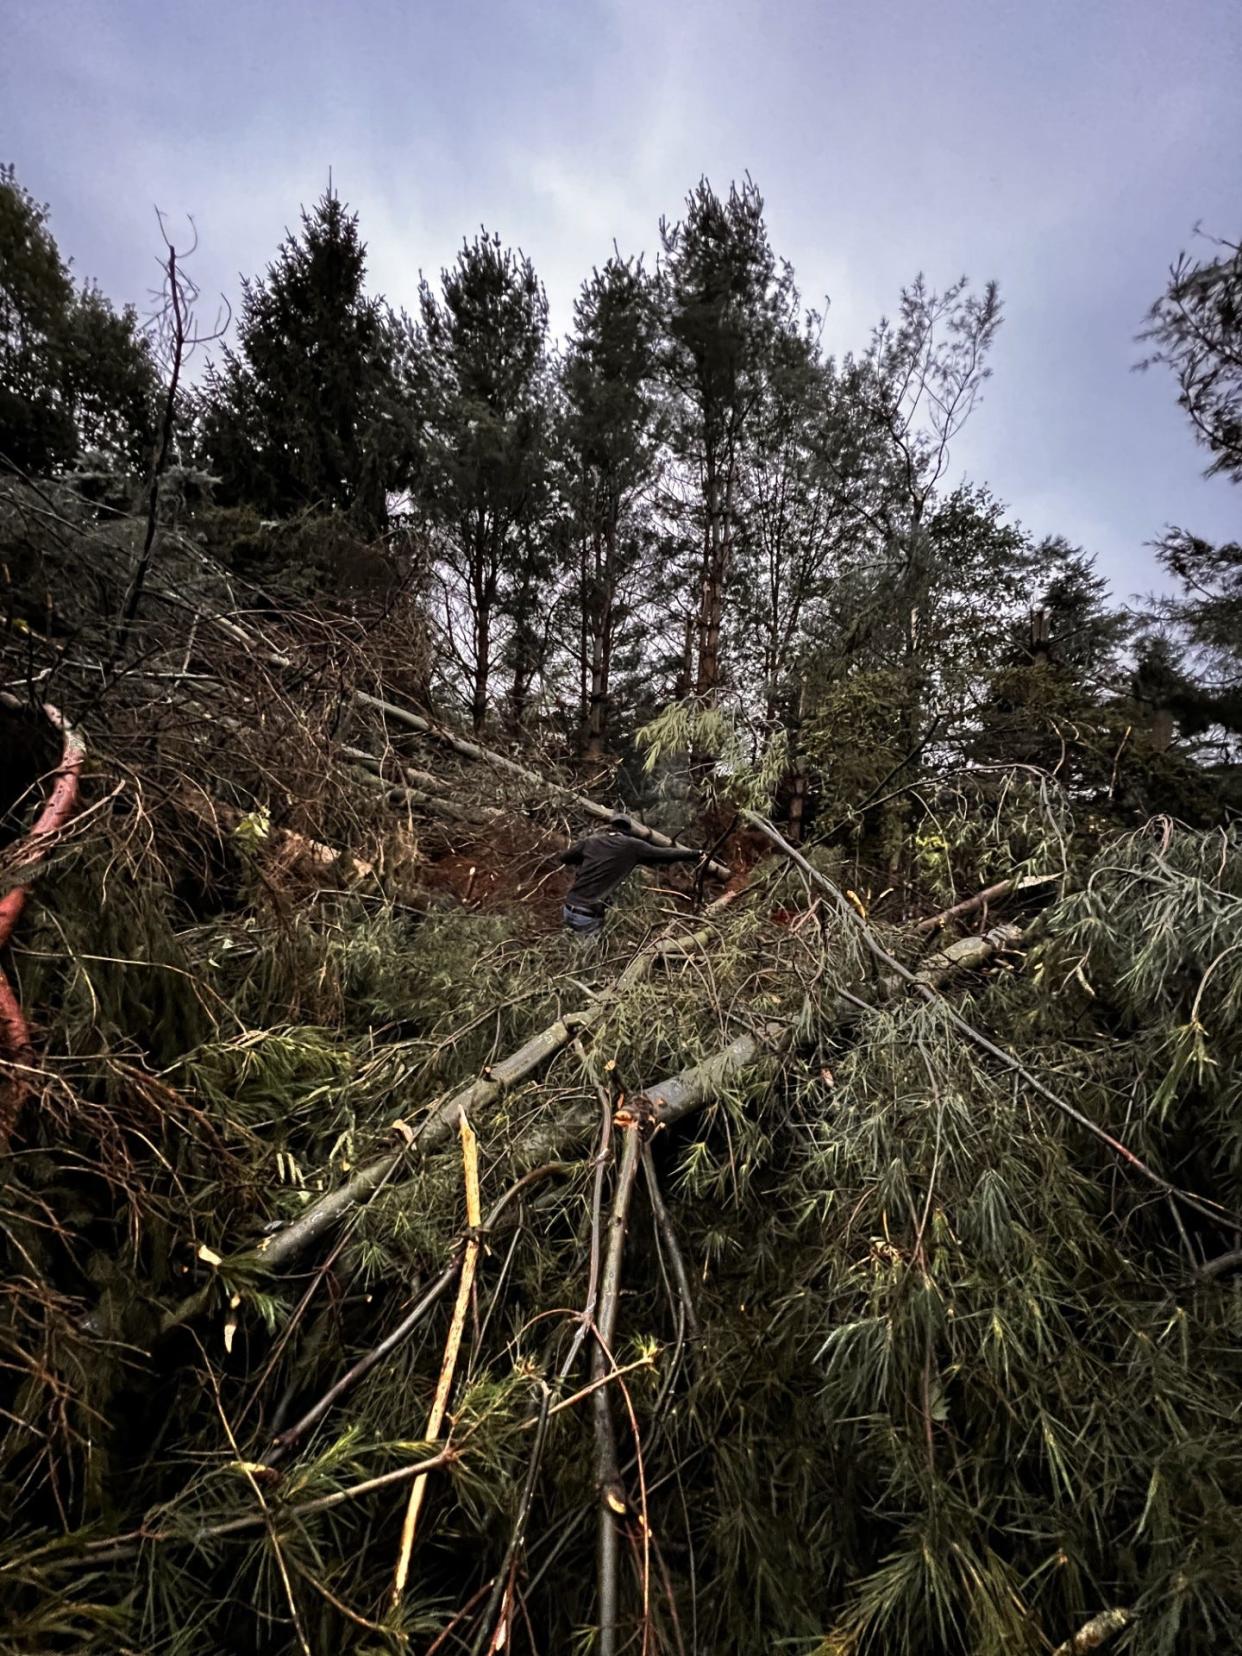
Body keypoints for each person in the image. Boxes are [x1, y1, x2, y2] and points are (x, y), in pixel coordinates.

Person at [559, 814, 702, 935]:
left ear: (611, 826)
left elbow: (565, 857)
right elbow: (664, 854)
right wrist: (695, 854)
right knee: (589, 959)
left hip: (569, 907)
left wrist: (586, 858)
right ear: (629, 830)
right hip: (588, 916)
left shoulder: (591, 841)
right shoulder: (632, 846)